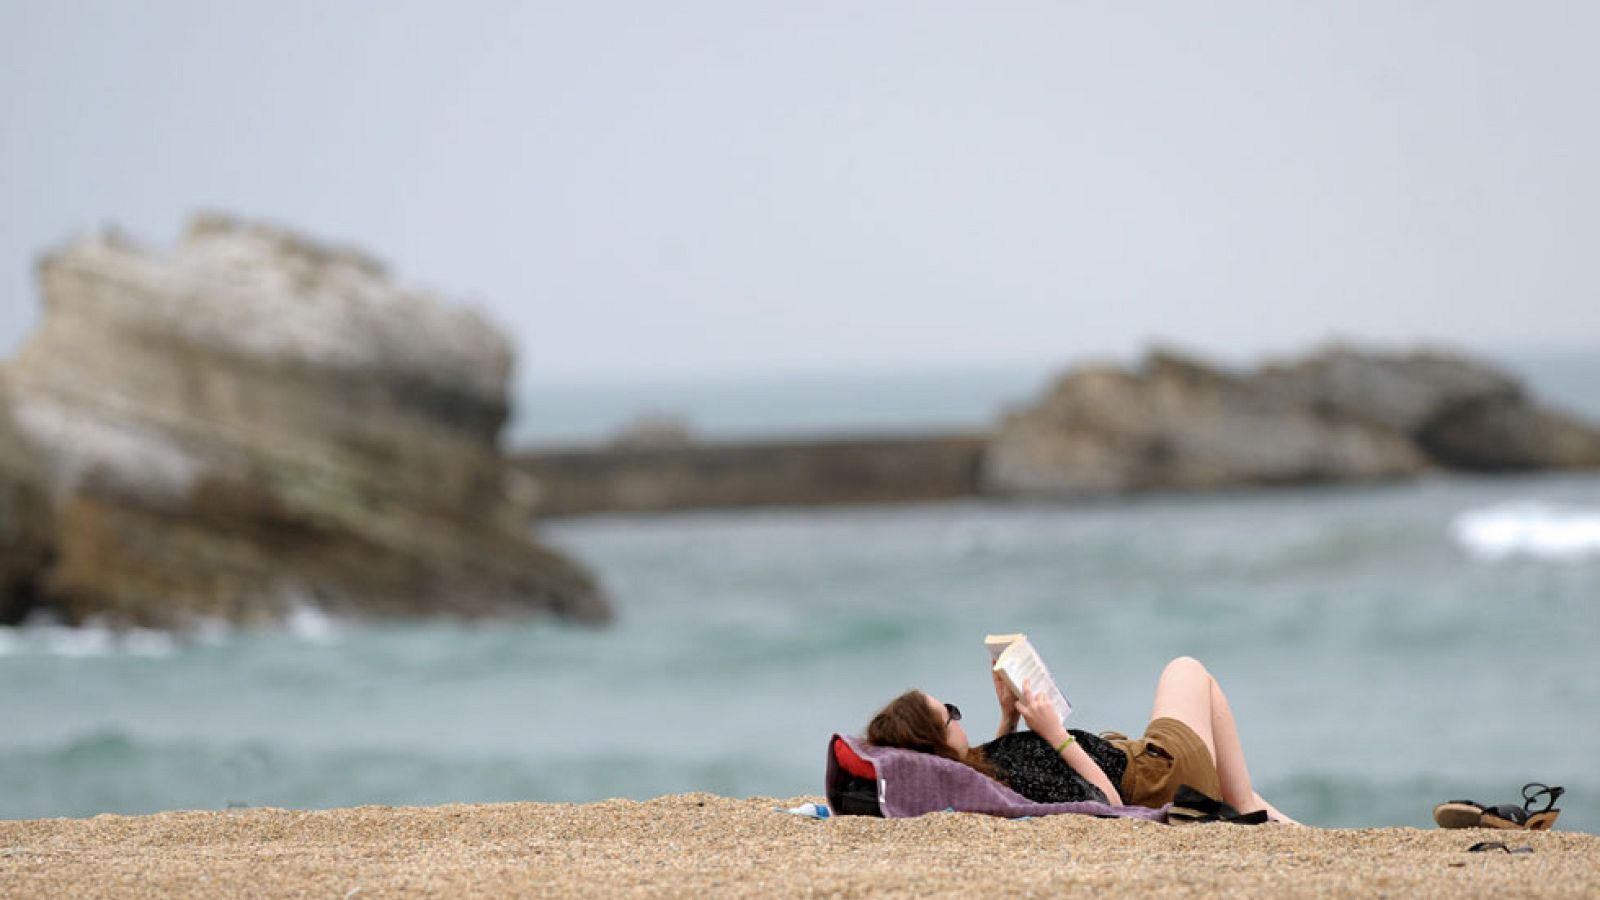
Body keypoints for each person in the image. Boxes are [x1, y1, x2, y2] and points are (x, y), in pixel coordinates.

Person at [865, 655, 1300, 824]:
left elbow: (1000, 774)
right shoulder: (1010, 776)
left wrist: (1008, 719)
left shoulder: (971, 775)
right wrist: (1055, 735)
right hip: (1156, 773)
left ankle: (1286, 825)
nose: (960, 719)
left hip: (1146, 765)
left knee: (1234, 780)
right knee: (1185, 670)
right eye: (950, 715)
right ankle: (1244, 808)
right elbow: (1109, 805)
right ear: (937, 743)